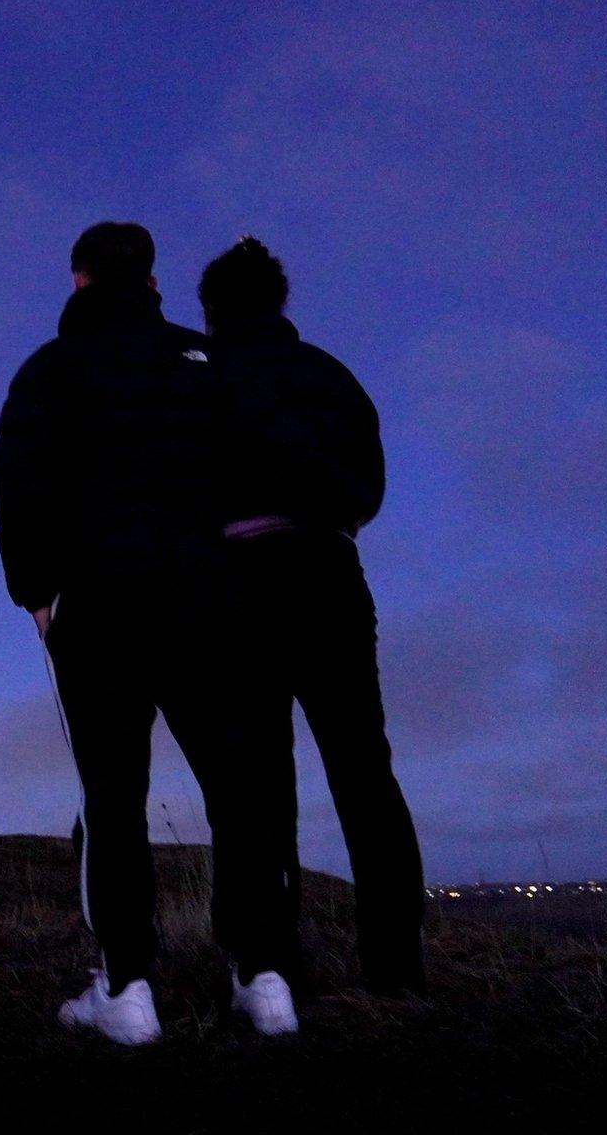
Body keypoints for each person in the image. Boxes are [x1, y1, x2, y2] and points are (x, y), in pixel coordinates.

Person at [0, 221, 253, 1046]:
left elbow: (20, 484)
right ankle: (264, 976)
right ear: (152, 282)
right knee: (238, 786)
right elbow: (251, 472)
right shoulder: (207, 361)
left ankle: (129, 990)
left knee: (112, 798)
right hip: (206, 597)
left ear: (78, 282)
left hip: (98, 604)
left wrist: (39, 597)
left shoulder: (49, 369)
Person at [199, 237, 427, 998]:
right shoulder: (332, 377)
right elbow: (368, 490)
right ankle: (396, 966)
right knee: (365, 771)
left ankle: (270, 969)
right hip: (330, 573)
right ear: (279, 301)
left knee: (256, 782)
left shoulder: (202, 381)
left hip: (236, 584)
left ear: (213, 310)